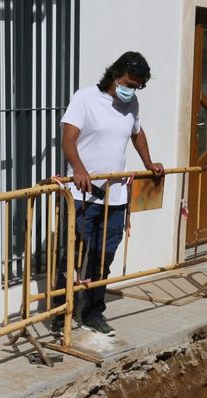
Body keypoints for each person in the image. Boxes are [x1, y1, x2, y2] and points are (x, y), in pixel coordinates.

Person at [53, 51, 163, 337]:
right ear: (115, 75)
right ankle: (59, 313)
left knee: (103, 258)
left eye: (137, 86)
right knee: (72, 257)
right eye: (129, 83)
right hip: (81, 195)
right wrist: (78, 168)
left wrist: (149, 163)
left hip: (115, 198)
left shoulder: (132, 104)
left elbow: (136, 133)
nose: (132, 90)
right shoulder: (85, 98)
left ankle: (92, 313)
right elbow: (68, 137)